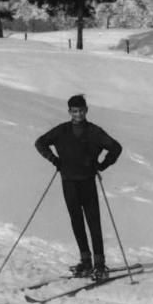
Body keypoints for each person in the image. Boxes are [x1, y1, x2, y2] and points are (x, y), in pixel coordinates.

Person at [34, 95, 122, 281]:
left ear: (86, 110)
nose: (78, 114)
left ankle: (99, 265)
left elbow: (115, 147)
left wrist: (103, 165)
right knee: (77, 221)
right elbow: (40, 143)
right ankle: (86, 261)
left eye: (81, 110)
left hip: (87, 182)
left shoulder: (94, 131)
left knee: (93, 223)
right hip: (68, 182)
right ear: (69, 112)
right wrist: (54, 160)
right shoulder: (62, 130)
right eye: (74, 111)